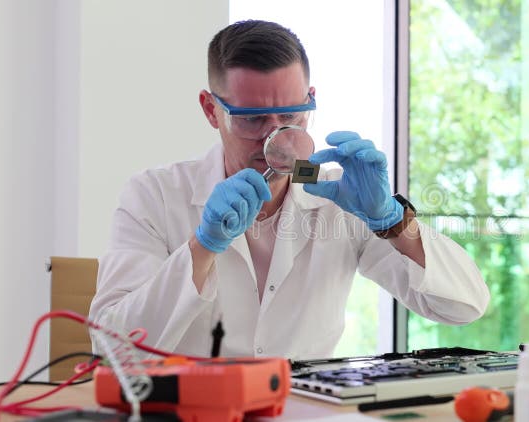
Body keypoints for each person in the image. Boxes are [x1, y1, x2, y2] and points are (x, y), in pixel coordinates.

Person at [89, 20, 489, 360]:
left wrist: (392, 220)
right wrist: (202, 248)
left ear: (311, 101)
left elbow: (465, 305)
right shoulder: (154, 196)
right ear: (212, 110)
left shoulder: (343, 198)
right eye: (253, 119)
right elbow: (110, 348)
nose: (276, 138)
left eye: (292, 116)